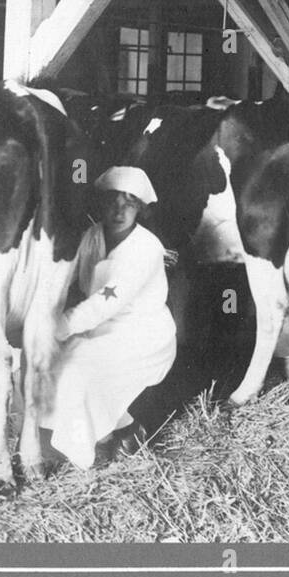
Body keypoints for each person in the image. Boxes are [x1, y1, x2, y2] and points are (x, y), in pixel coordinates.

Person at [42, 166, 176, 469]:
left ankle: (97, 442)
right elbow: (63, 276)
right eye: (112, 201)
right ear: (101, 204)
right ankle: (121, 429)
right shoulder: (91, 236)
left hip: (142, 334)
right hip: (99, 328)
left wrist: (56, 327)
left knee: (78, 370)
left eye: (128, 203)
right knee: (55, 362)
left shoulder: (146, 248)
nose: (119, 211)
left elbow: (104, 303)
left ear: (139, 208)